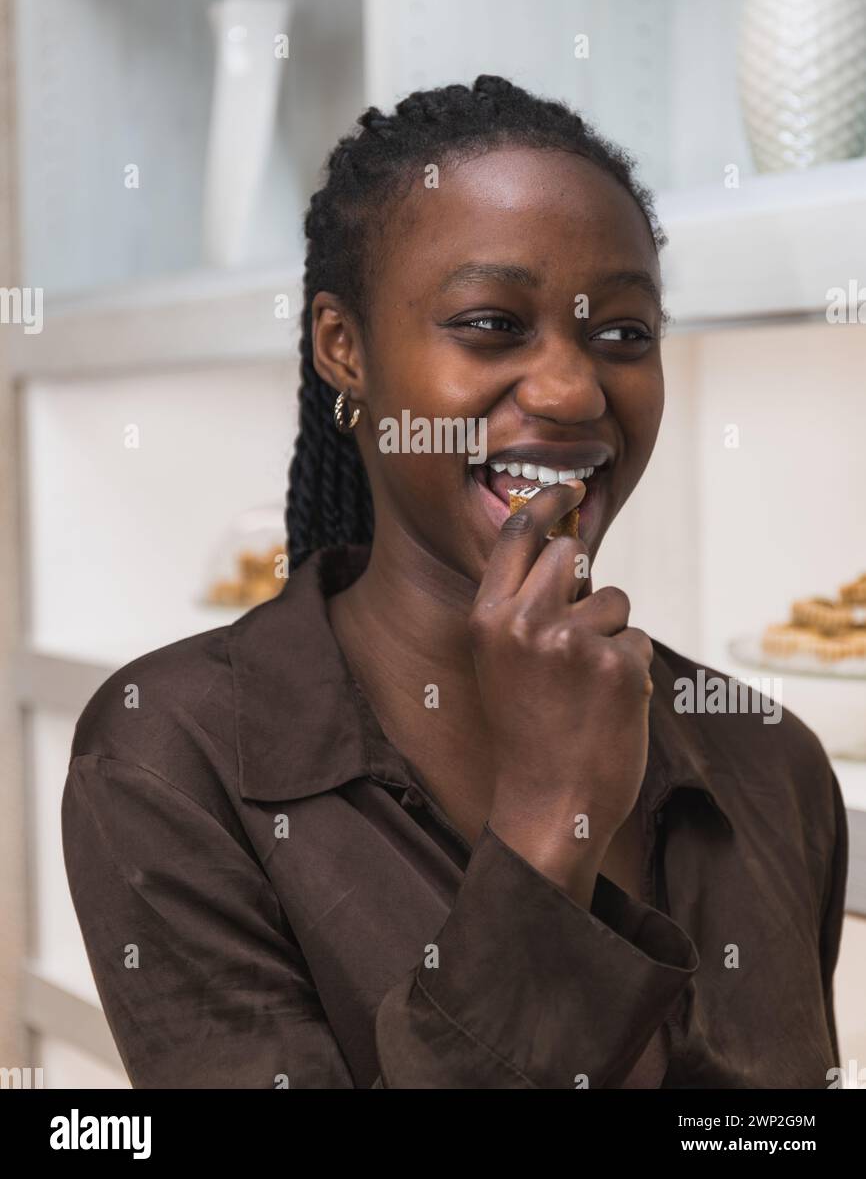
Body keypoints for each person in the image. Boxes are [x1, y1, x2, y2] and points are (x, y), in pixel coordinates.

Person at [62, 75, 847, 1089]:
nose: (571, 390)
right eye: (489, 323)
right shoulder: (169, 757)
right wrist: (547, 819)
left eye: (620, 334)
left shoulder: (764, 761)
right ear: (343, 347)